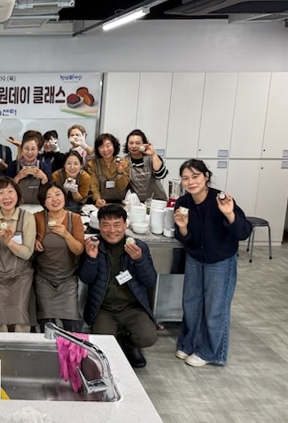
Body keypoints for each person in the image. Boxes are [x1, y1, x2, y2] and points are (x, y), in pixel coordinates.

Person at [174, 159, 252, 367]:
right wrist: (182, 227)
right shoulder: (183, 203)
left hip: (220, 260)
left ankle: (210, 352)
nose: (191, 182)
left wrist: (229, 213)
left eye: (195, 176)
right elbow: (185, 238)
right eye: (185, 178)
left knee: (215, 308)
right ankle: (188, 343)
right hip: (195, 258)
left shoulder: (221, 200)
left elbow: (244, 232)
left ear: (206, 176)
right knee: (191, 304)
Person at [79, 205, 158, 368]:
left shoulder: (139, 247)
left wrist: (139, 260)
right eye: (106, 225)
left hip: (132, 308)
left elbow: (150, 281)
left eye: (117, 224)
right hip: (103, 309)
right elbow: (86, 279)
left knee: (148, 337)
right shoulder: (93, 245)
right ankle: (115, 341)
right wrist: (91, 259)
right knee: (103, 345)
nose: (111, 230)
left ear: (125, 225)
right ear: (99, 226)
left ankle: (129, 343)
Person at [0, 177, 36, 332]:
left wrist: (9, 242)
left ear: (17, 194)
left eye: (10, 191)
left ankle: (22, 347)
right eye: (1, 193)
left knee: (20, 314)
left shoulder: (27, 217)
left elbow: (27, 254)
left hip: (20, 275)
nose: (6, 197)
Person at [33, 182, 85, 332]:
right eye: (48, 196)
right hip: (44, 279)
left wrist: (66, 234)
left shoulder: (74, 218)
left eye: (58, 194)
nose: (54, 199)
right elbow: (25, 236)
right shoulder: (37, 218)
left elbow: (78, 250)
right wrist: (33, 241)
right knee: (47, 327)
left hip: (67, 280)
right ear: (43, 202)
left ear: (64, 196)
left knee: (73, 327)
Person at [5, 131, 51, 204]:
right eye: (26, 148)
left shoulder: (44, 167)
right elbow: (5, 189)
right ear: (21, 149)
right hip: (17, 205)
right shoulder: (13, 166)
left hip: (39, 206)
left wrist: (44, 178)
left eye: (33, 149)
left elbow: (50, 192)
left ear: (38, 151)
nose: (29, 152)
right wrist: (17, 178)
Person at [123, 129, 168, 202]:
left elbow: (161, 175)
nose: (134, 146)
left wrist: (153, 154)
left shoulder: (152, 158)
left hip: (157, 201)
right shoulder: (124, 161)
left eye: (138, 143)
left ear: (144, 144)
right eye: (131, 143)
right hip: (137, 203)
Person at [87, 133, 130, 208]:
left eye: (108, 146)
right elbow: (93, 185)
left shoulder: (123, 162)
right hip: (102, 203)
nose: (105, 150)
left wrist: (119, 172)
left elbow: (122, 187)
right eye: (101, 147)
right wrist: (97, 199)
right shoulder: (92, 164)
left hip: (120, 203)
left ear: (114, 146)